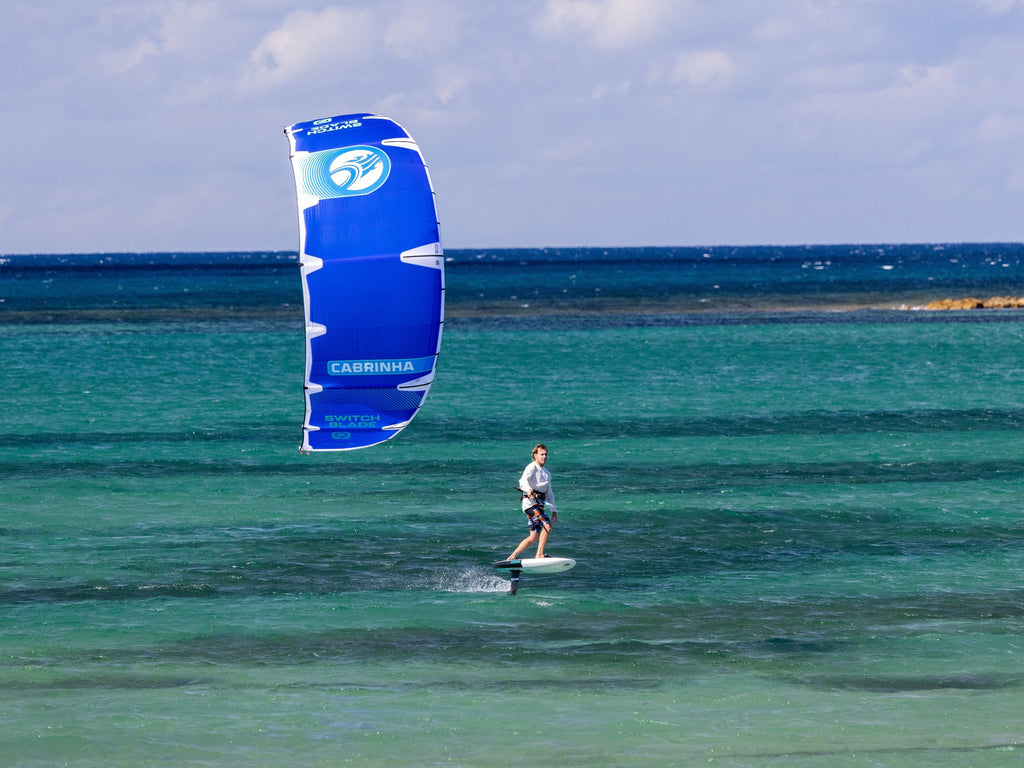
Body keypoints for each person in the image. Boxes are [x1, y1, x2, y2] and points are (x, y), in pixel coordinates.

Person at [507, 443, 558, 560]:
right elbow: (522, 481)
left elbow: (549, 493)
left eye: (546, 454)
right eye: (541, 454)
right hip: (530, 504)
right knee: (547, 525)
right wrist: (529, 490)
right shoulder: (532, 467)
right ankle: (539, 554)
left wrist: (554, 510)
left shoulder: (547, 473)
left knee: (534, 536)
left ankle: (512, 557)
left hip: (539, 505)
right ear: (535, 455)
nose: (544, 457)